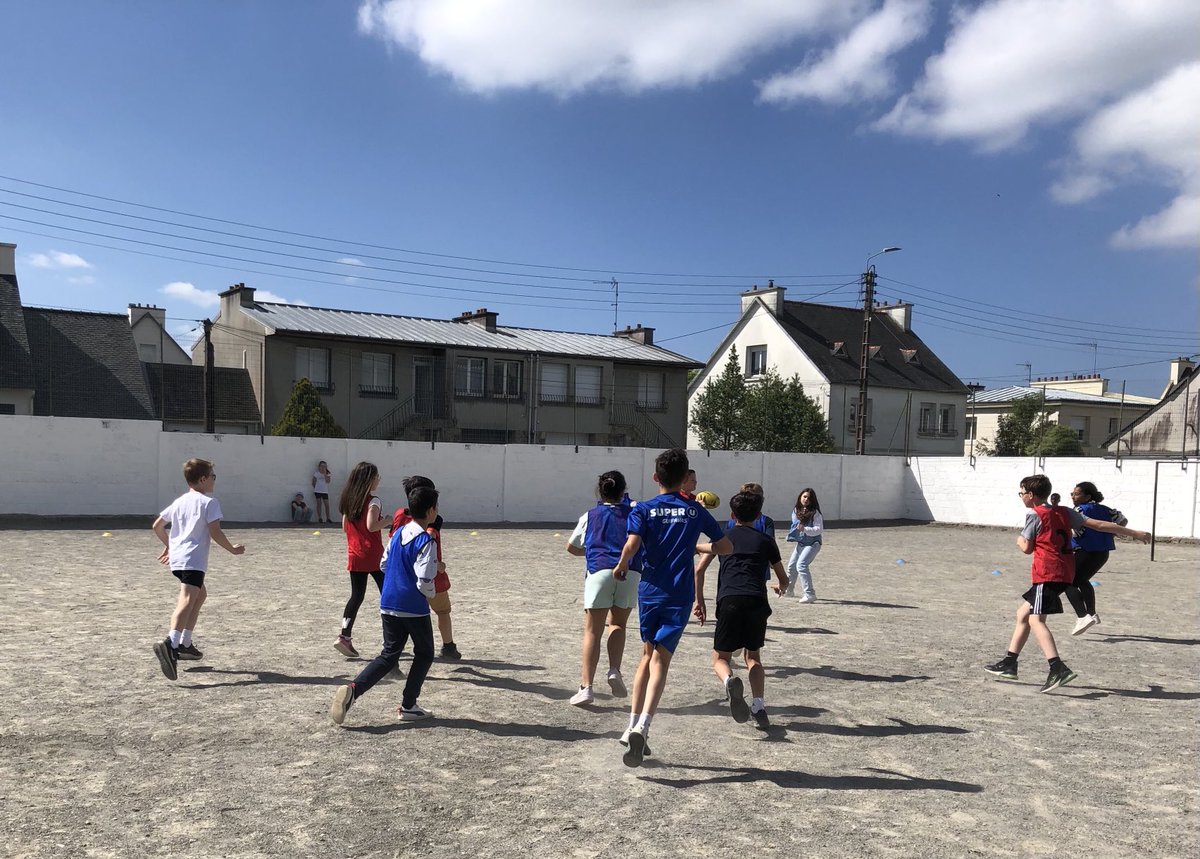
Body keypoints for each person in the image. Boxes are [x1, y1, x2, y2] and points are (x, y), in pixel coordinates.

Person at [612, 448, 732, 767]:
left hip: (650, 591)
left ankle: (630, 725)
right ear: (685, 480)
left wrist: (623, 563)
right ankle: (644, 726)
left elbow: (633, 544)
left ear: (655, 478)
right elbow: (725, 547)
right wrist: (698, 546)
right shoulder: (695, 510)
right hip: (679, 596)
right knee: (661, 662)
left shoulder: (644, 509)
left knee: (645, 656)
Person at [984, 475, 1149, 693]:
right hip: (1064, 569)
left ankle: (1057, 668)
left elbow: (1027, 547)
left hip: (1048, 572)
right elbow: (1099, 525)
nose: (1021, 496)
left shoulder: (1034, 514)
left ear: (1031, 495)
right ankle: (1009, 662)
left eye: (1022, 492)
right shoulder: (1064, 511)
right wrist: (1134, 533)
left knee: (1036, 621)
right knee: (1022, 615)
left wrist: (1018, 539)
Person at [330, 485, 440, 725]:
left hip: (388, 602)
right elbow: (424, 580)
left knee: (389, 655)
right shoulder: (426, 541)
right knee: (425, 653)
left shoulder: (398, 532)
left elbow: (383, 563)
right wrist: (429, 593)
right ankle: (409, 704)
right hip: (413, 607)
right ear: (432, 511)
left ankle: (353, 690)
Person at [694, 491, 789, 729]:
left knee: (720, 658)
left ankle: (729, 682)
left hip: (730, 599)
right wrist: (780, 586)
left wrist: (700, 601)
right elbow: (783, 578)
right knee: (753, 657)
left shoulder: (723, 537)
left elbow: (699, 570)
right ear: (758, 516)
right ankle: (758, 704)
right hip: (756, 600)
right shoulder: (766, 541)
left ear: (731, 514)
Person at [151, 458, 245, 681]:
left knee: (200, 595)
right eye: (213, 476)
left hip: (179, 560)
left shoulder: (180, 501)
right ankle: (170, 643)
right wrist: (232, 549)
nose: (214, 480)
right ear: (203, 479)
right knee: (186, 598)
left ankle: (185, 643)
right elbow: (215, 532)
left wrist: (170, 545)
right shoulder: (209, 503)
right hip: (193, 559)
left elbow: (157, 526)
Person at [565, 470, 641, 706]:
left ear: (600, 491)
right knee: (618, 623)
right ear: (623, 491)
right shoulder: (636, 514)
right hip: (630, 572)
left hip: (599, 571)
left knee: (592, 631)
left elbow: (572, 547)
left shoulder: (591, 515)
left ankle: (586, 686)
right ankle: (614, 670)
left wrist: (592, 551)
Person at [392, 476, 460, 660]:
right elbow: (429, 542)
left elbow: (393, 538)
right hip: (430, 576)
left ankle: (394, 654)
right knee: (442, 611)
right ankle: (448, 646)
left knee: (401, 617)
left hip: (403, 575)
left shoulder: (399, 515)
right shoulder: (432, 521)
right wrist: (438, 565)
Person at [1064, 482, 1133, 635]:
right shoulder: (1106, 509)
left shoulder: (1079, 510)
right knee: (1082, 580)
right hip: (1102, 553)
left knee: (1067, 582)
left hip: (1085, 550)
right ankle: (1092, 614)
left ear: (1087, 496)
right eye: (1072, 493)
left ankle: (1082, 616)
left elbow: (1072, 527)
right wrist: (1113, 532)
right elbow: (1122, 520)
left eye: (1076, 493)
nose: (1073, 496)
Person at [335, 462, 388, 658]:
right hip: (374, 555)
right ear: (369, 479)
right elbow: (372, 525)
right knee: (387, 595)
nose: (378, 479)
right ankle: (390, 639)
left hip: (355, 554)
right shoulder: (373, 501)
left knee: (356, 596)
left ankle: (344, 636)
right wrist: (388, 520)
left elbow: (344, 527)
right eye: (376, 476)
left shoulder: (349, 501)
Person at [692, 482, 775, 599]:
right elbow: (772, 552)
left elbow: (701, 567)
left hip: (729, 587)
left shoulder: (728, 526)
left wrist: (699, 599)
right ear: (762, 501)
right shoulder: (766, 522)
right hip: (756, 588)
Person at [785, 488, 823, 602]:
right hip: (801, 543)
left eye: (809, 498)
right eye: (804, 496)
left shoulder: (815, 513)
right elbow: (795, 525)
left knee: (801, 565)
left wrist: (805, 529)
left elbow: (818, 529)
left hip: (813, 543)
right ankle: (788, 590)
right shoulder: (796, 510)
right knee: (791, 566)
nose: (806, 499)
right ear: (800, 497)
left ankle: (810, 594)